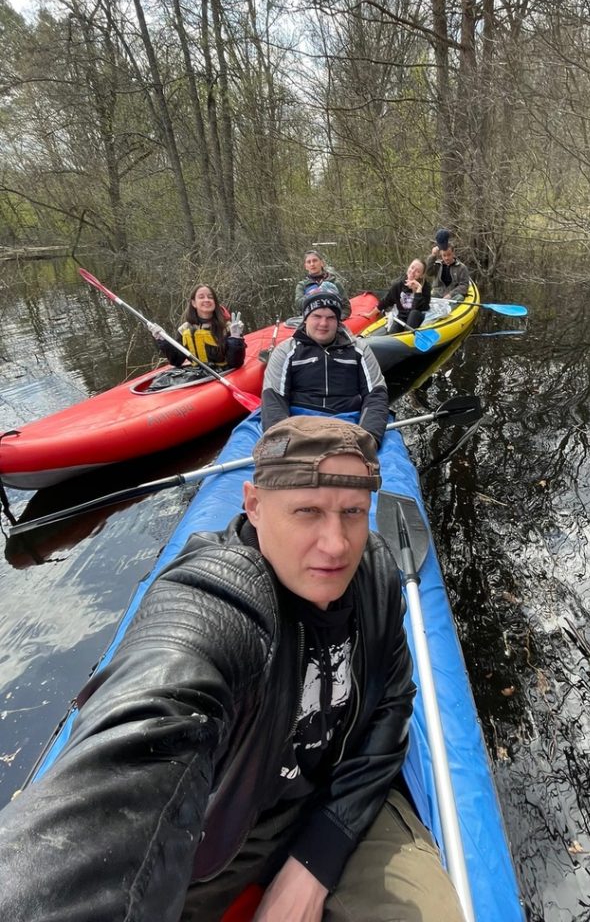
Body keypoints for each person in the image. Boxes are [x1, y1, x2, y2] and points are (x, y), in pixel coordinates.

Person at [0, 417, 465, 922]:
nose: (336, 545)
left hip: (345, 801)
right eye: (307, 511)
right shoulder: (219, 600)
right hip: (226, 843)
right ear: (254, 504)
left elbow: (392, 706)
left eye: (352, 512)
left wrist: (317, 858)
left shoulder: (375, 573)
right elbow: (151, 717)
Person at [262, 290, 389, 445]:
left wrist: (367, 440)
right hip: (297, 421)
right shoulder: (285, 351)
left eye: (330, 318)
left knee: (394, 464)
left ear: (338, 321)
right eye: (317, 316)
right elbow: (274, 398)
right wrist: (281, 444)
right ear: (305, 319)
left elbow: (376, 395)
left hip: (350, 420)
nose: (323, 324)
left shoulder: (360, 350)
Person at [151, 283, 246, 369]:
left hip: (225, 373)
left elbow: (236, 363)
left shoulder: (228, 327)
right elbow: (177, 360)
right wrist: (163, 340)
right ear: (194, 303)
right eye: (201, 297)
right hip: (199, 374)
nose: (206, 300)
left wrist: (236, 338)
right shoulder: (184, 329)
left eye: (210, 297)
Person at [372, 257, 432, 333]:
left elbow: (423, 308)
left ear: (421, 275)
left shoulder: (425, 286)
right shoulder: (398, 286)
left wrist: (417, 291)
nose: (412, 272)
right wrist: (370, 314)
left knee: (414, 313)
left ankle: (408, 336)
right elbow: (385, 301)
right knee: (395, 327)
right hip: (402, 318)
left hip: (418, 319)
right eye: (412, 267)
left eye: (417, 271)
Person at [294, 250, 352, 318]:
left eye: (315, 260)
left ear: (322, 263)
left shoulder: (335, 283)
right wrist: (311, 294)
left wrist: (337, 319)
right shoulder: (302, 285)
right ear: (306, 266)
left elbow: (346, 307)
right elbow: (299, 305)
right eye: (309, 262)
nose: (312, 264)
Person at [425, 236, 471, 302]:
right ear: (441, 255)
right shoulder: (437, 265)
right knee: (428, 297)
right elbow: (428, 273)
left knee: (460, 297)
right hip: (438, 293)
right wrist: (433, 256)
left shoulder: (461, 267)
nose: (446, 258)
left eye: (449, 255)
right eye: (444, 255)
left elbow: (464, 285)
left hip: (453, 295)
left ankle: (448, 309)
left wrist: (450, 294)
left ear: (453, 253)